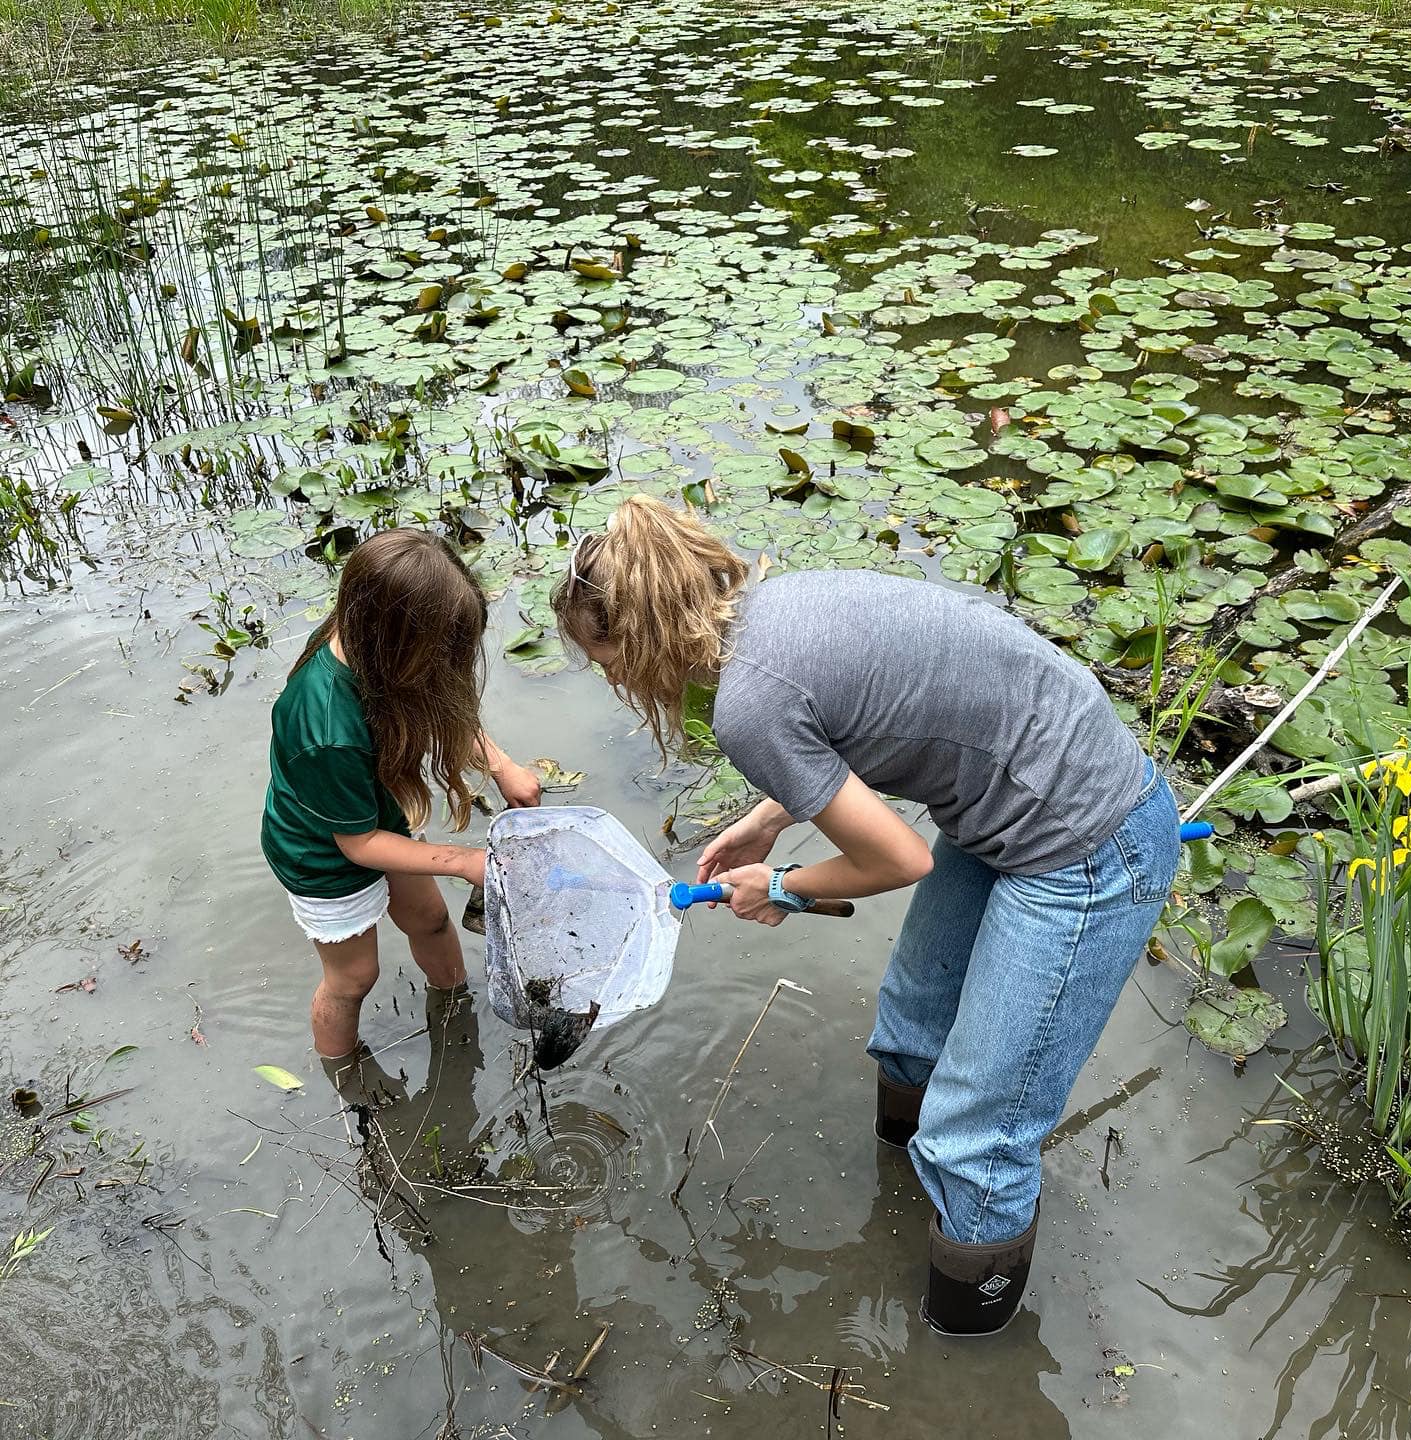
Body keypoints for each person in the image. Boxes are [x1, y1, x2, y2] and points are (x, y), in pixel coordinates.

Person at [553, 495, 1180, 1338]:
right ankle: (906, 1204)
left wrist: (778, 888)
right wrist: (773, 816)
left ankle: (962, 1355)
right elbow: (873, 715)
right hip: (1015, 797)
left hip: (1087, 842)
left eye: (604, 658)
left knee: (977, 1141)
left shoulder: (745, 706)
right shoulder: (770, 611)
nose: (612, 679)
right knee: (913, 1028)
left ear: (642, 633)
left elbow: (899, 860)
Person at [261, 530, 540, 1059]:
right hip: (322, 849)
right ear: (393, 639)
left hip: (374, 812)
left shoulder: (368, 641)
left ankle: (457, 1012)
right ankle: (344, 1077)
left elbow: (437, 703)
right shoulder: (328, 729)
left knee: (430, 919)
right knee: (354, 977)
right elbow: (358, 845)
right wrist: (462, 860)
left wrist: (501, 765)